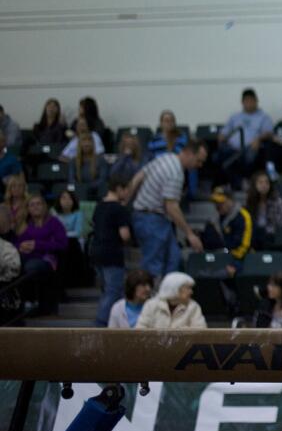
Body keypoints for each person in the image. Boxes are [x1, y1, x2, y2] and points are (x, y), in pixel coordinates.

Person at [129, 140, 207, 279]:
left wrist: (125, 200)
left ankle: (167, 297)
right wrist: (190, 234)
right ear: (189, 154)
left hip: (150, 217)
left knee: (173, 259)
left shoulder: (165, 158)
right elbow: (171, 207)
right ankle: (150, 299)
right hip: (151, 219)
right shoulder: (175, 173)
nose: (199, 166)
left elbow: (139, 176)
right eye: (198, 161)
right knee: (154, 267)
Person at [91, 175, 133, 326]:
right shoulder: (119, 209)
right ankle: (100, 324)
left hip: (96, 252)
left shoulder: (98, 206)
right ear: (119, 189)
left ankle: (119, 322)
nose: (128, 193)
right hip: (112, 253)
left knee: (108, 290)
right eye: (127, 190)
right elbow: (125, 235)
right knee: (113, 290)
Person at [16, 195, 68, 314]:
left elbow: (62, 245)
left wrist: (37, 245)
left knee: (31, 267)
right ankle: (20, 304)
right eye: (32, 204)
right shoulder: (23, 224)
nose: (35, 207)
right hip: (25, 258)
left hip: (47, 259)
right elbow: (14, 244)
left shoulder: (54, 223)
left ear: (45, 206)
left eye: (39, 203)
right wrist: (21, 246)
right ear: (28, 208)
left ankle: (33, 303)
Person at [217, 88, 275, 189]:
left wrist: (258, 139)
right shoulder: (235, 117)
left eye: (251, 100)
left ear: (256, 101)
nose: (249, 103)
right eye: (246, 101)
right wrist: (222, 136)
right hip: (232, 148)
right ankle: (228, 184)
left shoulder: (263, 117)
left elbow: (268, 132)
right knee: (219, 156)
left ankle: (246, 182)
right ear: (242, 102)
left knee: (249, 156)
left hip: (251, 147)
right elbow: (224, 132)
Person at [202, 189, 253, 278]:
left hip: (239, 258)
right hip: (217, 257)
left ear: (231, 201)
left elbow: (244, 245)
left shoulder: (243, 216)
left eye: (221, 202)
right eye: (216, 203)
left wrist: (230, 262)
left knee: (220, 274)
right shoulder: (214, 218)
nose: (218, 206)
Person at [136, 271, 206, 329]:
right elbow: (140, 330)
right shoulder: (151, 305)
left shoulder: (193, 307)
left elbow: (201, 332)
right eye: (188, 288)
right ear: (174, 288)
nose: (191, 292)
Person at [245, 170, 282, 248]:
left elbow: (281, 223)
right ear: (254, 185)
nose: (264, 185)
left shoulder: (278, 202)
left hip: (272, 236)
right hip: (254, 237)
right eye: (260, 182)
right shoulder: (248, 202)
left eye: (266, 182)